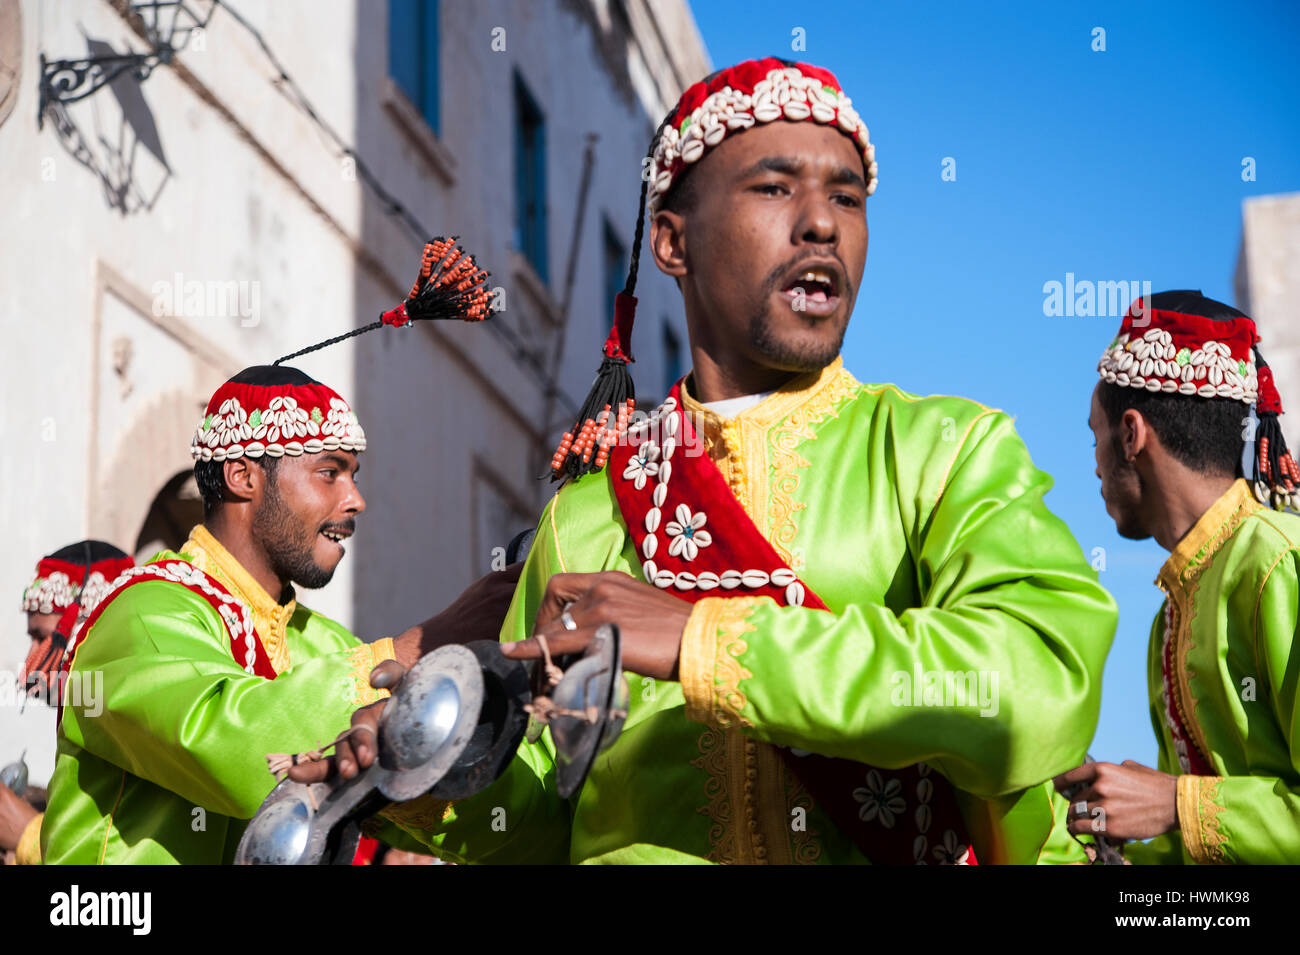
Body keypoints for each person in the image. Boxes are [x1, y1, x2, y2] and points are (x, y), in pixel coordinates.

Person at [299, 56, 1117, 865]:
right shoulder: (587, 513)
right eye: (775, 187)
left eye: (847, 197)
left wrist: (707, 641)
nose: (821, 223)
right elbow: (541, 819)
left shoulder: (945, 452)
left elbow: (1036, 678)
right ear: (671, 241)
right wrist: (424, 767)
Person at [40, 365, 520, 863]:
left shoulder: (328, 645)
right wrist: (419, 644)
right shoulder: (142, 612)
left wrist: (505, 690)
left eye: (354, 476)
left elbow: (482, 826)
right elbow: (233, 754)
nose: (355, 500)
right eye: (329, 473)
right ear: (243, 476)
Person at [1058, 290, 1300, 864]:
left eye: (1094, 436)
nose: (1093, 464)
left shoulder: (1277, 562)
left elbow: (1193, 810)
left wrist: (1174, 803)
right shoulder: (1173, 612)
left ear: (1132, 434)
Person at [9, 541, 134, 864]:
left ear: (83, 628)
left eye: (41, 638)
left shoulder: (127, 720)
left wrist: (27, 834)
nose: (28, 670)